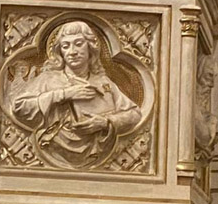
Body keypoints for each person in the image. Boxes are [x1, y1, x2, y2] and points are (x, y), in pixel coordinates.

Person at [12, 20, 141, 168]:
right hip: (53, 150)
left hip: (97, 153)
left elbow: (134, 114)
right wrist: (64, 94)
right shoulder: (48, 79)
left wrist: (105, 122)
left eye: (78, 44)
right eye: (65, 46)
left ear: (90, 47)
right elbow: (19, 107)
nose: (72, 51)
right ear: (60, 52)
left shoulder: (103, 83)